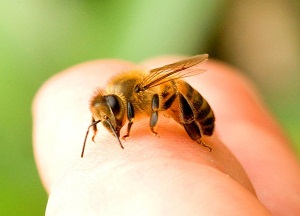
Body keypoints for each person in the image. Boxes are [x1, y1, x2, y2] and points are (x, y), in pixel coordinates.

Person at [33, 56, 300, 215]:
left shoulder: (136, 94)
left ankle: (196, 135)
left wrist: (150, 127)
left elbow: (153, 102)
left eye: (111, 116)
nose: (111, 122)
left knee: (174, 94)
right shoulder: (116, 99)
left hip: (184, 99)